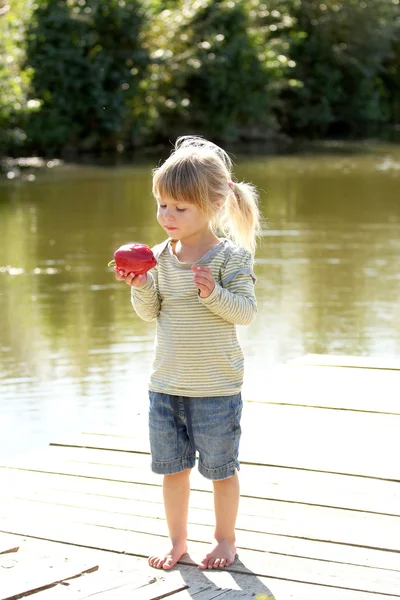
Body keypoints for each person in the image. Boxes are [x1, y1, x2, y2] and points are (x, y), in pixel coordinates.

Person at [114, 136, 260, 571]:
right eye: (162, 205)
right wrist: (140, 287)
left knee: (220, 470)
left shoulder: (230, 258)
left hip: (215, 387)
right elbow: (150, 313)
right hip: (166, 386)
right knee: (172, 470)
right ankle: (177, 542)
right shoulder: (157, 258)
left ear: (213, 206)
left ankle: (224, 540)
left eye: (180, 209)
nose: (167, 217)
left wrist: (213, 293)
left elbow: (246, 312)